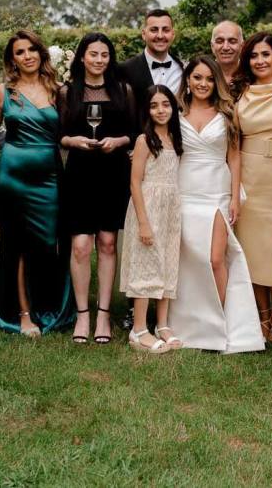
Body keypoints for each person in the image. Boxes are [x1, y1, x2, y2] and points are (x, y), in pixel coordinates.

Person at [169, 56, 264, 353]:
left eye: (209, 79)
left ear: (216, 83)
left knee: (215, 259)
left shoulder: (226, 112)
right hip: (184, 190)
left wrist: (235, 196)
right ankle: (186, 326)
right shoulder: (175, 112)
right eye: (197, 77)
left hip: (217, 192)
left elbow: (234, 157)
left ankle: (219, 323)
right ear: (188, 79)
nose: (203, 84)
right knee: (187, 261)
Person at [0, 31, 73, 337]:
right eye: (19, 52)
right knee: (18, 245)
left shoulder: (59, 90)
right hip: (13, 175)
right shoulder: (3, 92)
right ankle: (23, 314)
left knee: (48, 243)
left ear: (41, 54)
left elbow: (68, 133)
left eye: (31, 50)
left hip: (50, 176)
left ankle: (49, 307)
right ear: (12, 59)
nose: (27, 56)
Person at [60, 33, 136, 345]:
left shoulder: (123, 90)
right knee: (79, 246)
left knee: (107, 242)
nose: (99, 60)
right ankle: (82, 314)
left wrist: (117, 141)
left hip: (112, 172)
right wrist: (73, 141)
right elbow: (60, 135)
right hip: (79, 173)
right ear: (81, 57)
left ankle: (104, 314)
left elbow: (133, 132)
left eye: (105, 54)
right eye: (93, 54)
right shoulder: (67, 91)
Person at [233, 33, 272, 342]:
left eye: (266, 54)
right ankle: (263, 318)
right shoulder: (240, 92)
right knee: (254, 251)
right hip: (251, 175)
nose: (260, 61)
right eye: (254, 56)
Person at [120, 85, 183, 354]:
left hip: (170, 208)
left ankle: (163, 324)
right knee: (147, 265)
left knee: (167, 262)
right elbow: (135, 183)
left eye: (166, 104)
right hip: (148, 207)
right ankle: (138, 329)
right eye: (154, 105)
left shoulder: (174, 138)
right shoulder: (144, 141)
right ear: (147, 110)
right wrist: (144, 222)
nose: (161, 110)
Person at [119, 9, 185, 116]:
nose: (160, 36)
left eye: (165, 30)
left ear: (173, 34)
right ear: (144, 34)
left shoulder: (182, 68)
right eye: (154, 30)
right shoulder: (125, 69)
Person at [211, 20, 243, 87]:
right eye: (220, 41)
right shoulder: (204, 76)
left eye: (232, 41)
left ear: (241, 46)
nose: (225, 47)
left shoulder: (252, 75)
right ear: (212, 46)